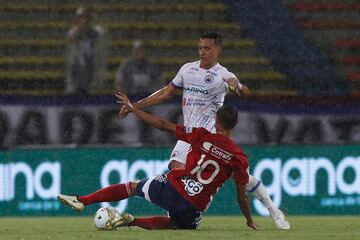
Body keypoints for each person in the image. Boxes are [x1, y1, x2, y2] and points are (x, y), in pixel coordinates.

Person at [118, 32, 290, 229]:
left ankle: (273, 210)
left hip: (209, 138)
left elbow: (246, 94)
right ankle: (179, 219)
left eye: (207, 48)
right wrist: (135, 105)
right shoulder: (187, 69)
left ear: (218, 50)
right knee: (176, 170)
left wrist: (239, 86)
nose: (202, 52)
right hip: (190, 135)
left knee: (241, 178)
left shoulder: (224, 75)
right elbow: (166, 93)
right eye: (200, 48)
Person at [58, 93, 259, 231]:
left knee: (132, 187)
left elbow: (163, 125)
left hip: (174, 186)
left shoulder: (201, 135)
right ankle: (132, 221)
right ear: (235, 125)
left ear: (216, 121)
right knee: (177, 224)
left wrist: (134, 109)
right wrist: (249, 220)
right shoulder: (239, 158)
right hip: (194, 205)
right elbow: (242, 197)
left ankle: (82, 200)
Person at [115, 40, 162, 145]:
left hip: (147, 100)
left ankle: (147, 142)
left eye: (141, 50)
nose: (138, 53)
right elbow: (120, 81)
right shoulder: (127, 64)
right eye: (136, 50)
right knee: (133, 126)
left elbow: (159, 82)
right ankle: (136, 142)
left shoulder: (150, 65)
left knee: (148, 123)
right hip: (132, 99)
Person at [65, 7, 109, 94]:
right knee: (75, 89)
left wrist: (96, 19)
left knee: (89, 89)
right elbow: (70, 38)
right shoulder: (74, 30)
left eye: (86, 18)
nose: (84, 20)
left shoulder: (94, 31)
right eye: (82, 18)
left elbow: (105, 32)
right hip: (76, 64)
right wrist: (79, 27)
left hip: (90, 63)